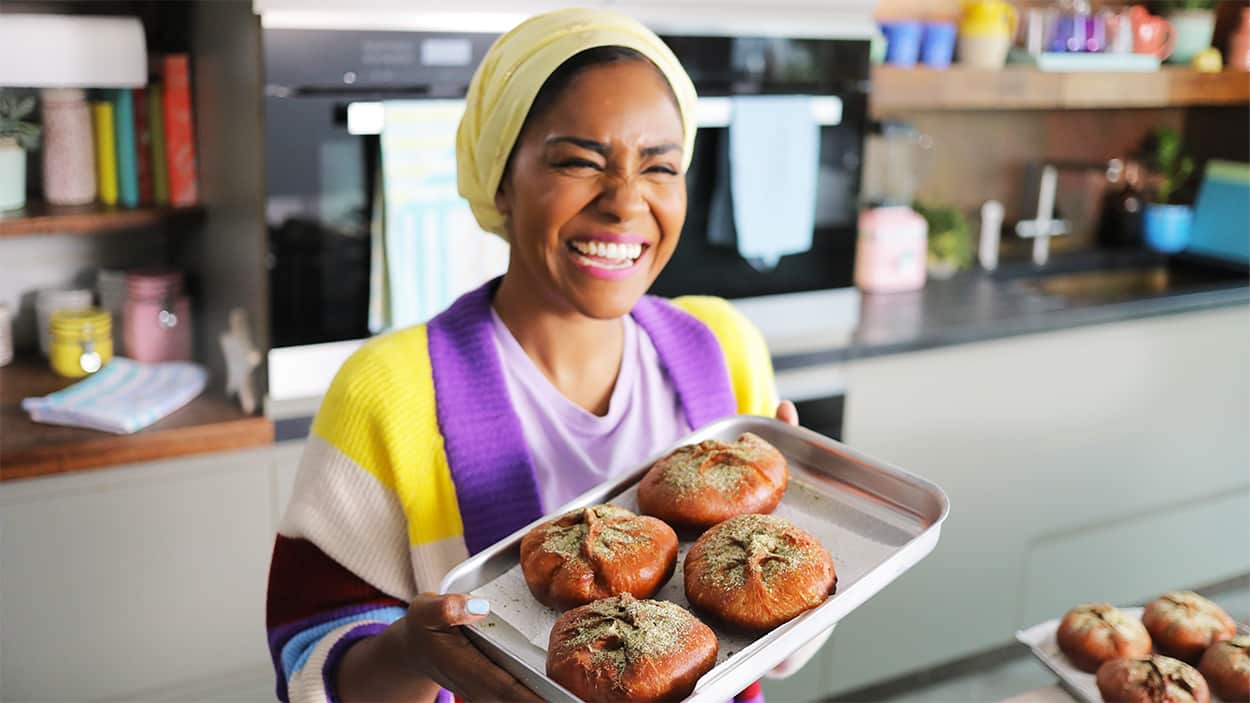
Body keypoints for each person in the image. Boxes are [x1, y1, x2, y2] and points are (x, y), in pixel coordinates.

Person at [266, 8, 830, 703]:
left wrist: (800, 535)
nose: (626, 202)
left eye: (661, 166)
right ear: (500, 178)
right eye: (578, 161)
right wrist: (416, 652)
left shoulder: (721, 347)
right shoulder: (388, 392)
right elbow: (309, 669)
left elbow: (770, 651)